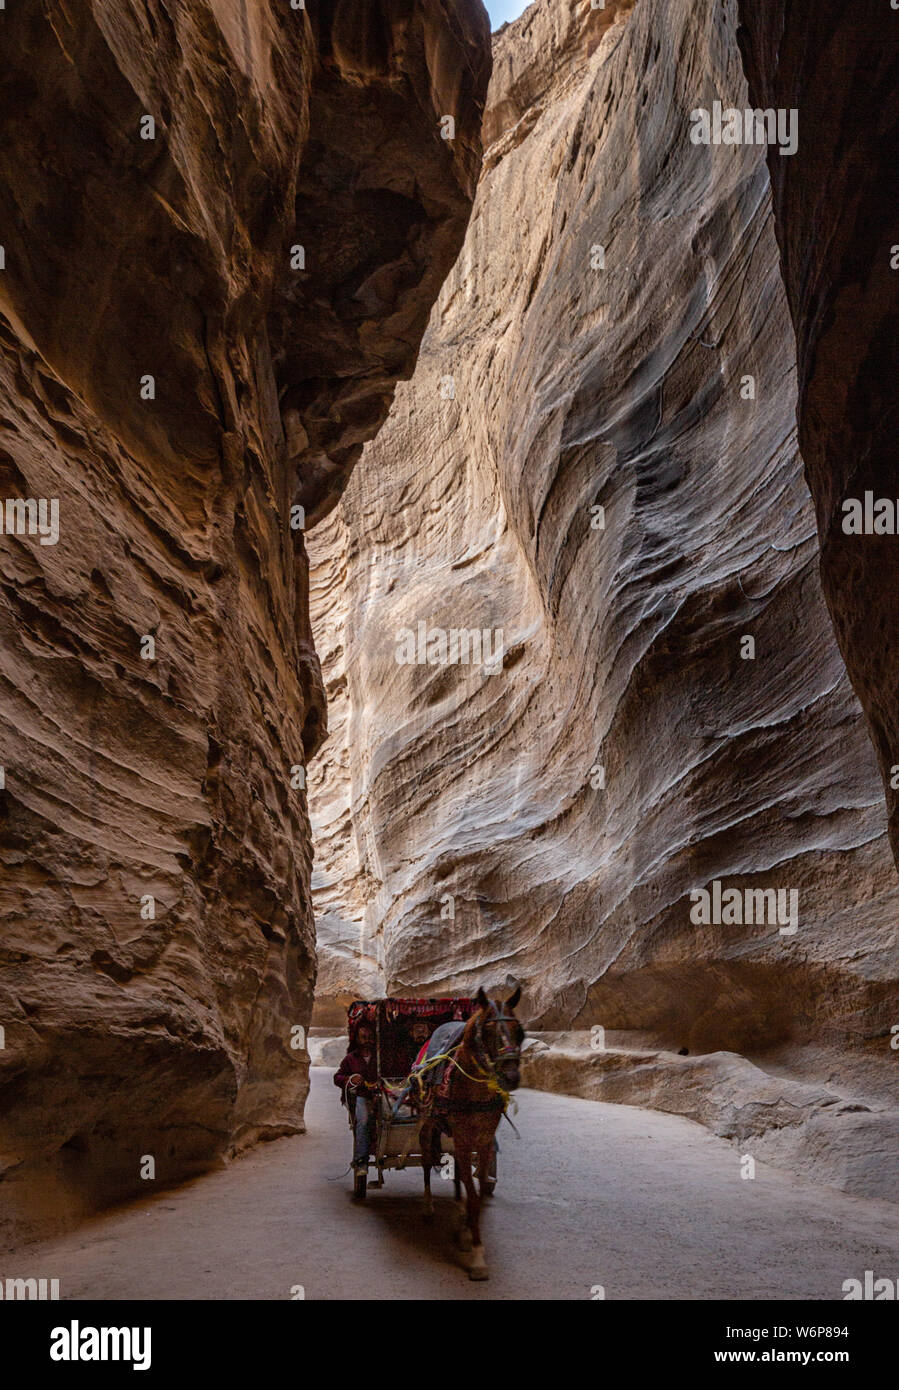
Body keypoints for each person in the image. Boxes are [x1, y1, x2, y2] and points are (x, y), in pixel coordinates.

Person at [334, 1022, 379, 1174]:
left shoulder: (381, 1056)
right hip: (361, 1096)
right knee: (363, 1119)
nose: (367, 1040)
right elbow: (337, 1077)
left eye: (370, 1037)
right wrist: (349, 1080)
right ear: (357, 1039)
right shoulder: (350, 1059)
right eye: (363, 1037)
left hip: (382, 1094)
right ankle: (361, 1161)